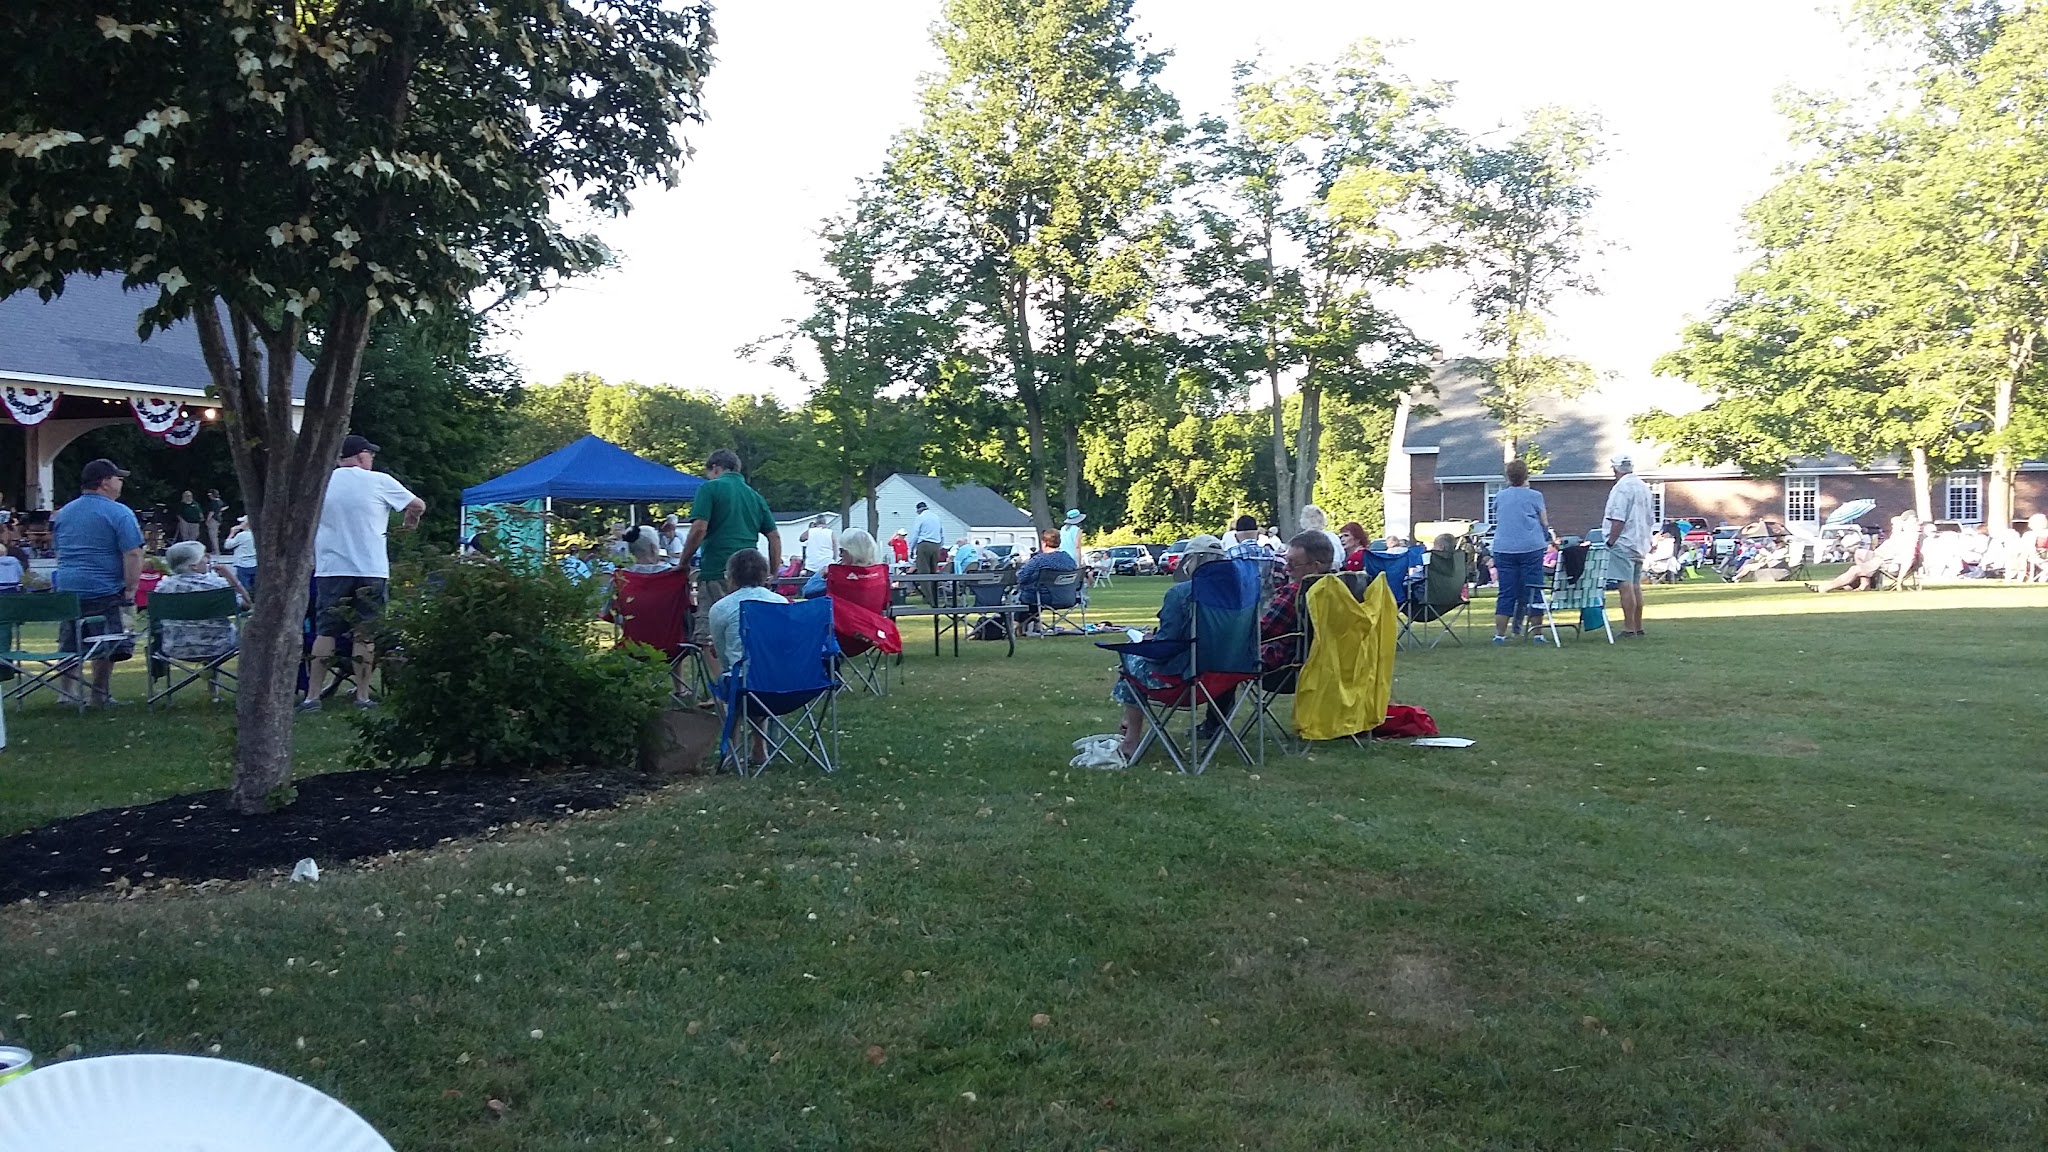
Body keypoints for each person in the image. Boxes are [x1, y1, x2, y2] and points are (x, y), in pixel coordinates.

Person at [301, 434, 424, 712]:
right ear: (361, 455)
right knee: (365, 634)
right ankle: (363, 696)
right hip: (371, 568)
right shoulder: (379, 480)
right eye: (371, 455)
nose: (372, 459)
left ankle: (312, 697)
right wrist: (409, 523)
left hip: (331, 569)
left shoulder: (320, 482)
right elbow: (416, 505)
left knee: (325, 631)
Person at [1109, 534, 1229, 763]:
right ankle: (1128, 725)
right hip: (1227, 677)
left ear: (1192, 561)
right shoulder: (1240, 595)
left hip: (1184, 678)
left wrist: (1145, 642)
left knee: (1129, 661)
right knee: (1135, 662)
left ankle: (1131, 740)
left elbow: (1167, 643)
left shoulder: (1181, 593)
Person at [679, 448, 780, 679]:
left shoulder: (710, 488)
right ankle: (753, 684)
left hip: (717, 571)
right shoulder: (754, 496)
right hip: (754, 575)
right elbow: (774, 536)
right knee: (749, 630)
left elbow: (699, 529)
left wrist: (683, 562)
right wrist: (773, 572)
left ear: (715, 468)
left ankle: (722, 692)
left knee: (708, 634)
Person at [51, 458, 144, 706]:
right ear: (105, 483)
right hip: (103, 588)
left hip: (68, 588)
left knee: (70, 640)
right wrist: (131, 589)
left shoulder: (64, 513)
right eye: (118, 478)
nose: (120, 483)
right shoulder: (119, 512)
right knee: (105, 642)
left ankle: (66, 693)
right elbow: (132, 553)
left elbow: (60, 550)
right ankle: (99, 694)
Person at [1489, 457, 1561, 644]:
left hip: (1503, 548)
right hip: (1530, 547)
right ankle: (1537, 633)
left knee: (1506, 591)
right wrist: (1545, 535)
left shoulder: (1500, 496)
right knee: (1534, 589)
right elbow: (1544, 523)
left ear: (1508, 476)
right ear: (1526, 475)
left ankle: (1500, 635)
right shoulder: (1535, 496)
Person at [154, 539, 248, 673]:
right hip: (219, 646)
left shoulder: (162, 588)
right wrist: (231, 578)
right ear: (194, 565)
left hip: (174, 647)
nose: (207, 559)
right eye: (203, 557)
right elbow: (246, 605)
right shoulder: (217, 585)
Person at [1258, 530, 1335, 674]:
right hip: (1331, 665)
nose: (1286, 568)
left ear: (1315, 567)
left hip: (1286, 667)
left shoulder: (1296, 592)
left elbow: (1262, 631)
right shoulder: (1342, 587)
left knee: (1221, 656)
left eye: (1292, 564)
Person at [707, 546, 787, 678]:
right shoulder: (781, 602)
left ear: (730, 577)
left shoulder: (721, 608)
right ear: (766, 576)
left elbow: (724, 661)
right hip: (785, 681)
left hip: (744, 685)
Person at [1602, 454, 1655, 637]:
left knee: (1625, 585)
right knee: (1635, 585)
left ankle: (1628, 627)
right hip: (1640, 541)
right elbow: (1650, 518)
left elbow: (1618, 519)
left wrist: (1610, 541)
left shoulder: (1621, 488)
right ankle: (1638, 626)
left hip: (1623, 542)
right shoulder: (1643, 487)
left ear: (1616, 469)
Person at [1811, 512, 1919, 592]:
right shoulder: (1902, 535)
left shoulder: (1910, 539)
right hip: (1880, 557)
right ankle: (1864, 583)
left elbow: (1908, 559)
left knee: (1855, 569)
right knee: (1859, 553)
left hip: (1887, 563)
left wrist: (1899, 581)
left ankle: (1825, 587)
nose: (1894, 527)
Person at [1014, 529, 1079, 633]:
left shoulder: (1039, 560)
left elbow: (1022, 576)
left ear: (1043, 542)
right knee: (1035, 593)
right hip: (1068, 596)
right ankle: (1035, 623)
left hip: (1045, 598)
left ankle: (1017, 626)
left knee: (1024, 594)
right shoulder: (1068, 559)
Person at [800, 528, 883, 598]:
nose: (840, 555)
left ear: (852, 552)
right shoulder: (880, 576)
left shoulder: (838, 577)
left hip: (842, 617)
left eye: (842, 550)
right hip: (872, 617)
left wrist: (820, 574)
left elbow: (808, 592)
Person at [908, 500, 946, 605]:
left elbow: (915, 534)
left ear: (918, 510)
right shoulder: (936, 517)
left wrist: (911, 549)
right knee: (934, 572)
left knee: (924, 572)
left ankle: (928, 598)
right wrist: (940, 545)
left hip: (924, 545)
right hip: (936, 545)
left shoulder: (920, 518)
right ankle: (935, 596)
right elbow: (942, 533)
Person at [223, 514, 259, 597]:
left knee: (242, 587)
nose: (240, 524)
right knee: (256, 587)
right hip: (255, 563)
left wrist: (231, 534)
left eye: (242, 522)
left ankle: (245, 602)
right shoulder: (257, 534)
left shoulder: (242, 535)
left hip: (243, 565)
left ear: (247, 524)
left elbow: (227, 545)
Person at [1299, 505, 1343, 572]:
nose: (1313, 519)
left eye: (1314, 516)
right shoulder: (1332, 536)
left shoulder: (1302, 539)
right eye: (1311, 517)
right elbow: (1341, 557)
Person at [202, 488, 226, 554]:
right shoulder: (220, 502)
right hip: (219, 519)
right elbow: (225, 507)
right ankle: (215, 550)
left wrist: (207, 520)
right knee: (215, 535)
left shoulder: (213, 502)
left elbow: (211, 512)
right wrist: (219, 511)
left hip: (213, 520)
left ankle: (216, 551)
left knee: (213, 536)